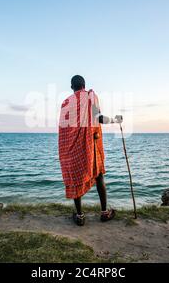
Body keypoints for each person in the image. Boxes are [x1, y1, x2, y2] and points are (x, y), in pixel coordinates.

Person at [58, 75, 123, 226]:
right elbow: (98, 117)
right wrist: (115, 120)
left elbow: (64, 130)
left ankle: (80, 216)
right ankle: (104, 213)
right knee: (99, 176)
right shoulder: (90, 97)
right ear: (84, 85)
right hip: (91, 145)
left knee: (75, 178)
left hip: (71, 148)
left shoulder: (66, 102)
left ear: (71, 87)